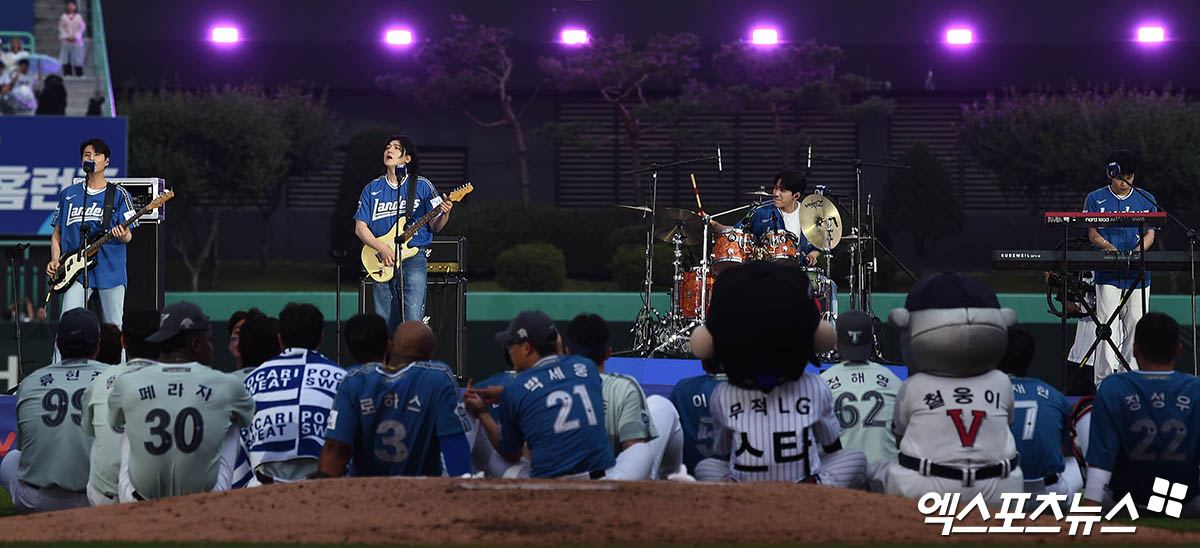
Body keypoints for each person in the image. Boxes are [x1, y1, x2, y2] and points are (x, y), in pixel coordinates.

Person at [691, 261, 865, 485]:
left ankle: (734, 496)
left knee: (706, 467)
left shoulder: (722, 394)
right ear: (815, 337)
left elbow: (723, 449)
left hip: (744, 488)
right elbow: (831, 444)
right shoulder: (814, 385)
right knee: (855, 458)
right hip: (803, 488)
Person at [871, 272, 1022, 505]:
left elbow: (899, 439)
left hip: (928, 488)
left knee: (876, 469)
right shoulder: (1001, 382)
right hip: (997, 488)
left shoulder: (915, 385)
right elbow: (1008, 424)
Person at [109, 301, 254, 501]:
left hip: (136, 497)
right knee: (232, 419)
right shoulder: (227, 384)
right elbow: (248, 421)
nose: (211, 346)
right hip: (205, 497)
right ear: (196, 344)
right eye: (209, 340)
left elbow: (113, 424)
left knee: (128, 421)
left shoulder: (128, 382)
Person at [464, 310, 614, 479]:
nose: (509, 350)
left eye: (510, 344)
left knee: (497, 460)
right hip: (604, 477)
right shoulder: (586, 366)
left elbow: (510, 454)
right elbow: (558, 384)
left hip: (553, 483)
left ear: (526, 348)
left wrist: (482, 411)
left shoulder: (515, 387)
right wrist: (506, 393)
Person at [318, 321, 471, 477]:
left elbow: (337, 448)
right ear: (429, 354)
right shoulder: (439, 377)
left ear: (390, 345)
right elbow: (453, 443)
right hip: (421, 491)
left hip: (365, 493)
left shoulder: (354, 379)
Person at [1085, 312, 1200, 515]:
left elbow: (1101, 459)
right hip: (1185, 504)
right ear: (1179, 350)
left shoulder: (1113, 386)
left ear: (1135, 349)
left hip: (1125, 504)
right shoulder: (1195, 388)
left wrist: (1089, 506)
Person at [0, 309, 107, 513]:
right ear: (98, 344)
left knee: (11, 459)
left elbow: (24, 448)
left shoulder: (30, 382)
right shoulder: (113, 378)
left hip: (37, 501)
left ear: (57, 342)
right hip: (98, 500)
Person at [564, 313, 685, 480]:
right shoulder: (624, 387)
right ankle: (670, 478)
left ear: (567, 352)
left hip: (559, 475)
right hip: (615, 481)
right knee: (661, 405)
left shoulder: (548, 386)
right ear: (608, 353)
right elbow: (634, 449)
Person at [353, 135, 453, 332]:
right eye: (387, 147)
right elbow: (360, 227)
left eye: (396, 148)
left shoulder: (422, 185)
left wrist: (446, 213)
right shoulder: (372, 188)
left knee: (413, 318)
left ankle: (411, 360)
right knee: (383, 321)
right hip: (381, 258)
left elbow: (435, 225)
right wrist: (381, 247)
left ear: (408, 158)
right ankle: (386, 361)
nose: (389, 150)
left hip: (413, 257)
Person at [241, 303, 344, 483]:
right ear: (321, 337)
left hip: (261, 491)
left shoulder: (252, 379)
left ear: (280, 339)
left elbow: (239, 449)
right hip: (325, 489)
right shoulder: (342, 378)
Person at [47, 138, 135, 333]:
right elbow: (57, 233)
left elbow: (128, 237)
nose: (91, 158)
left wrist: (123, 235)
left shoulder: (119, 195)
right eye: (87, 155)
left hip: (110, 270)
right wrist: (55, 259)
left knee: (114, 326)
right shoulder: (68, 194)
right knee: (68, 323)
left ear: (107, 161)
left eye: (96, 154)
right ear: (82, 161)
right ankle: (62, 363)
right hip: (75, 272)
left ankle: (116, 364)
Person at [1086, 149, 1156, 386]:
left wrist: (1137, 253)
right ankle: (1104, 382)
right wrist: (1108, 248)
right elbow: (1092, 234)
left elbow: (1150, 235)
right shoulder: (1095, 198)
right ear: (1110, 173)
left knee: (1136, 325)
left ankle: (1131, 379)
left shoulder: (1146, 198)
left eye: (1129, 177)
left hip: (1138, 274)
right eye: (1120, 177)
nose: (1125, 182)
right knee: (1106, 327)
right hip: (1107, 273)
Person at [79, 309, 160, 506]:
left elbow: (87, 430)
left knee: (100, 437)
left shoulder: (101, 379)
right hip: (155, 497)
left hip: (104, 498)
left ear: (123, 342)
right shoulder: (175, 381)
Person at [998, 327, 1081, 500]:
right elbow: (1072, 448)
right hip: (1049, 496)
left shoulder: (984, 394)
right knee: (1076, 462)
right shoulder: (1053, 395)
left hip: (998, 493)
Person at [820, 310, 903, 468]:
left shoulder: (822, 383)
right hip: (885, 477)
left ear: (836, 342)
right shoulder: (893, 380)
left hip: (839, 479)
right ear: (872, 341)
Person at [712, 171, 821, 266]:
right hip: (767, 274)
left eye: (782, 190)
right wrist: (714, 224)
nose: (776, 193)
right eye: (775, 188)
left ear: (796, 196)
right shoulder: (760, 211)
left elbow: (818, 245)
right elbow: (737, 233)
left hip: (799, 273)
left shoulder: (809, 214)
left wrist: (812, 255)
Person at [668, 361, 726, 477]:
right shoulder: (751, 391)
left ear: (704, 363)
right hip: (746, 475)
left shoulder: (683, 389)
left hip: (690, 477)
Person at [58, 1, 86, 77]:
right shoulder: (63, 17)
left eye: (72, 5)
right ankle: (67, 72)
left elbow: (82, 28)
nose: (71, 7)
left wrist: (76, 36)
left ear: (75, 7)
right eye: (69, 5)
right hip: (66, 40)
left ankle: (79, 73)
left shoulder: (79, 17)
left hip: (76, 40)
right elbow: (61, 28)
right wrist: (66, 36)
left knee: (78, 57)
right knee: (66, 57)